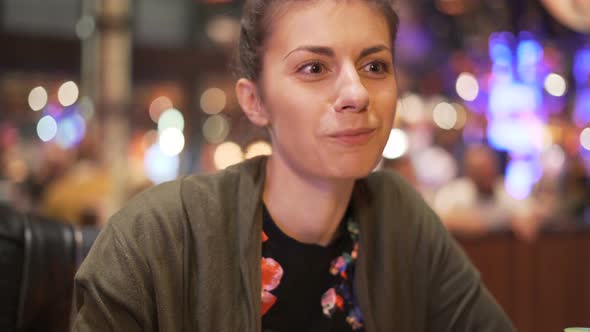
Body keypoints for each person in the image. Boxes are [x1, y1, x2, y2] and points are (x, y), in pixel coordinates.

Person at [71, 0, 515, 331]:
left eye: (375, 65)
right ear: (256, 101)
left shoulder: (400, 217)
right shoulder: (160, 236)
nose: (357, 93)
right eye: (314, 68)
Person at [433, 144, 539, 241]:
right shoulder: (454, 193)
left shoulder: (509, 191)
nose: (484, 175)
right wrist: (498, 222)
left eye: (487, 169)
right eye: (478, 171)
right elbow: (439, 222)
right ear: (469, 172)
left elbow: (529, 225)